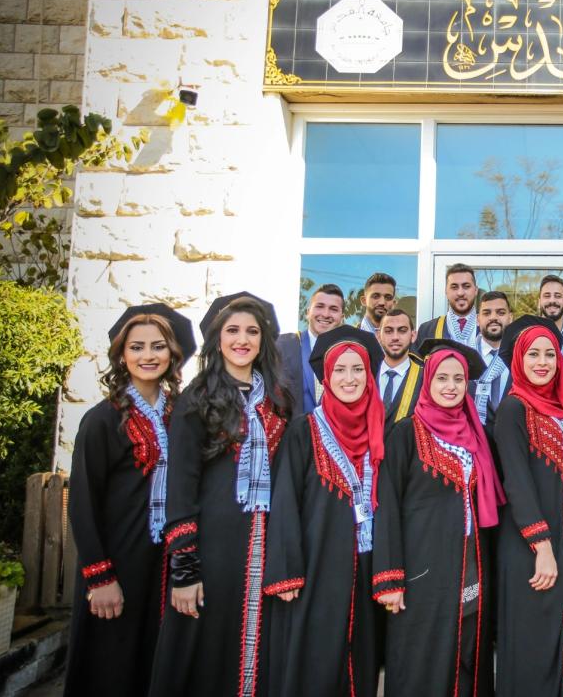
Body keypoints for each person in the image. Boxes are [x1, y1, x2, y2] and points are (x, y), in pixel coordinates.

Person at [150, 293, 293, 697]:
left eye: (252, 331)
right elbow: (181, 484)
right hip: (211, 545)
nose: (242, 340)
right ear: (217, 339)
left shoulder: (279, 401)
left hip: (265, 541)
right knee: (205, 645)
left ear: (264, 339)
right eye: (233, 331)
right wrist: (184, 568)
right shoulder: (196, 400)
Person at [65, 304, 195, 697]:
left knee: (158, 661)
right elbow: (83, 501)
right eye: (137, 347)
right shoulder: (102, 419)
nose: (148, 356)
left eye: (158, 346)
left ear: (173, 354)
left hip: (165, 560)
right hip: (118, 559)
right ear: (122, 355)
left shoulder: (181, 415)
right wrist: (100, 577)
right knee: (112, 666)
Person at [373, 342, 504, 697]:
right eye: (442, 378)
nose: (450, 386)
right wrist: (389, 577)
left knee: (468, 651)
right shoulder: (404, 434)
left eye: (458, 379)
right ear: (427, 382)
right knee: (422, 657)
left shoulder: (478, 436)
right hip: (420, 571)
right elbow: (385, 506)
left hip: (471, 563)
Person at [263, 326, 385, 697]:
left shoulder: (383, 430)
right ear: (326, 378)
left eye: (358, 370)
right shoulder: (303, 431)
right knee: (315, 660)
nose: (350, 379)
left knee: (362, 660)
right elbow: (285, 501)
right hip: (316, 566)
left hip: (368, 567)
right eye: (340, 371)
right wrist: (286, 570)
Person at [492, 316, 563, 696]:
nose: (542, 362)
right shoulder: (512, 409)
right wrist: (541, 546)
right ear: (520, 360)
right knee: (536, 645)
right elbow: (517, 482)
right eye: (533, 354)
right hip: (532, 545)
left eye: (549, 354)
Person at [277, 284, 344, 418]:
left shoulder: (348, 354)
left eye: (333, 309)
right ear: (308, 312)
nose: (325, 314)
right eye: (319, 306)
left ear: (342, 317)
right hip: (290, 434)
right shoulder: (283, 346)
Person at [377, 308, 423, 435]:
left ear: (413, 336)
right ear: (378, 336)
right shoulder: (365, 373)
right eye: (388, 331)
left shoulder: (425, 378)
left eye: (402, 331)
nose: (395, 337)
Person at [416, 263, 480, 348]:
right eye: (454, 287)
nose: (460, 293)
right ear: (446, 291)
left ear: (475, 290)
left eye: (466, 286)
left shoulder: (490, 327)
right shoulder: (426, 330)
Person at [473, 291, 513, 425]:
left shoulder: (522, 358)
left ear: (510, 318)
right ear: (478, 319)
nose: (493, 317)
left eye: (500, 312)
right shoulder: (465, 357)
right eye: (487, 313)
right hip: (474, 440)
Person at [538, 274, 563, 360]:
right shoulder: (526, 335)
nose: (552, 300)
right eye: (547, 296)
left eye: (558, 296)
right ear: (539, 302)